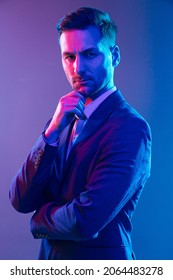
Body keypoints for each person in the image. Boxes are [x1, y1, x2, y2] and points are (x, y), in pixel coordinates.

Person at [9, 7, 151, 260]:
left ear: (114, 55)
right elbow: (20, 199)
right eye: (69, 57)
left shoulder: (130, 128)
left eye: (89, 54)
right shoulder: (60, 122)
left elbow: (85, 220)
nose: (78, 68)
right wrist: (51, 133)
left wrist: (37, 222)